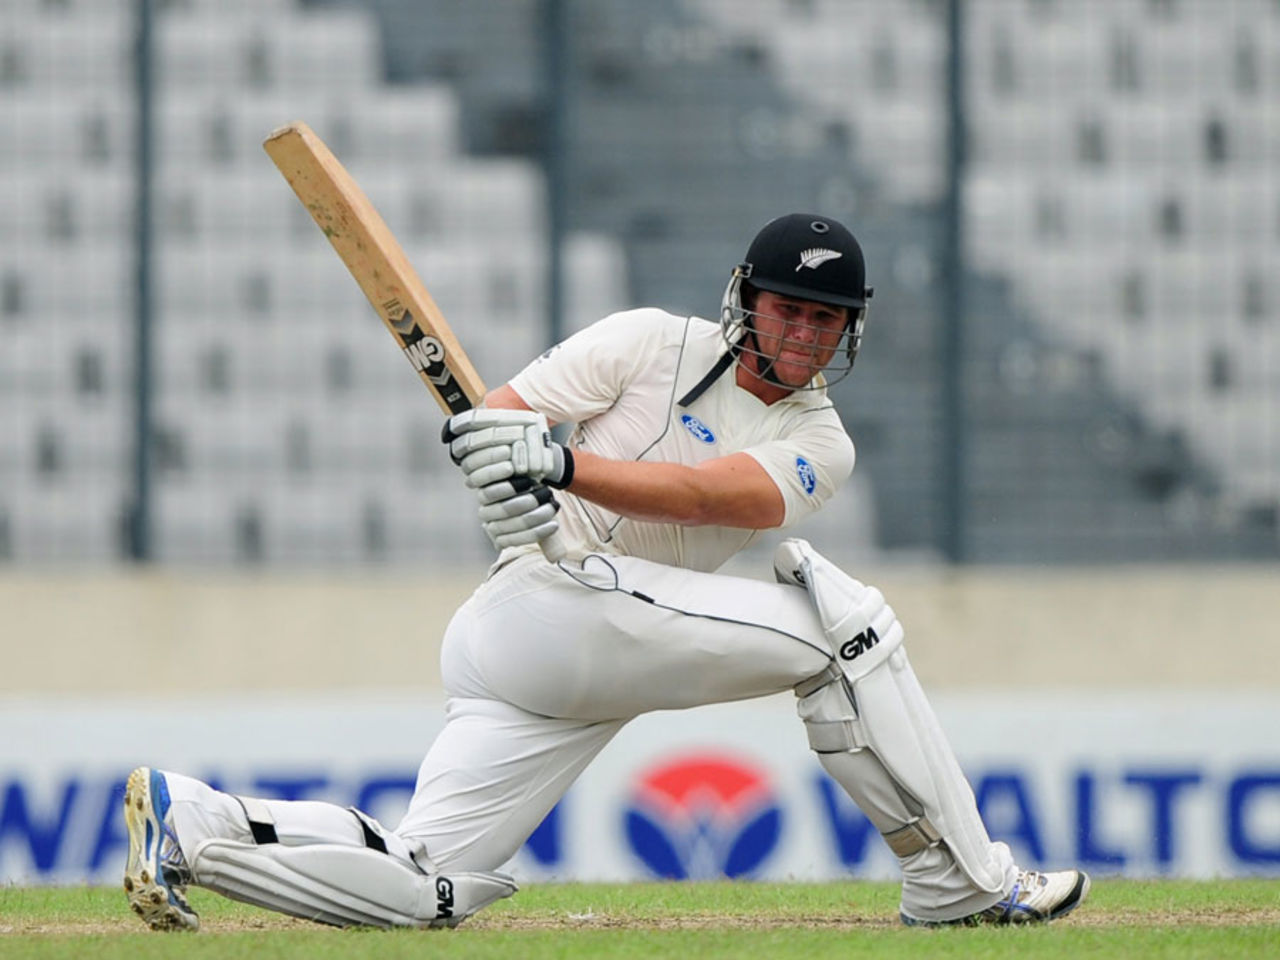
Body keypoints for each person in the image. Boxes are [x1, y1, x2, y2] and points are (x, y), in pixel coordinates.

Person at [122, 213, 1089, 931]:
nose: (805, 334)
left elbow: (713, 497)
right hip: (540, 605)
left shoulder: (820, 440)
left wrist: (563, 465)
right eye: (789, 308)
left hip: (580, 645)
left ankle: (197, 825)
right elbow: (495, 412)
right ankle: (962, 882)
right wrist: (498, 469)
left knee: (428, 886)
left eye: (827, 320)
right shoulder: (646, 341)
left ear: (850, 331)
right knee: (850, 631)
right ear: (746, 298)